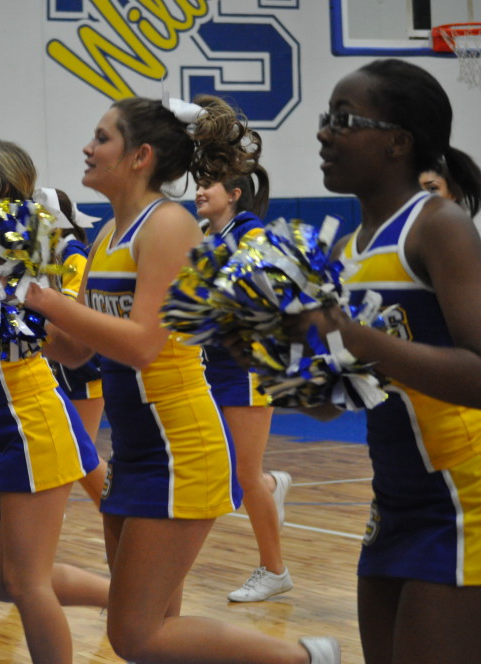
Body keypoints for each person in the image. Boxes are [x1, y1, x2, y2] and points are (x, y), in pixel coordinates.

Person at [24, 97, 339, 663]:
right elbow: (74, 352)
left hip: (179, 447)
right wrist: (5, 311)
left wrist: (42, 298)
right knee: (154, 630)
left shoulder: (168, 225)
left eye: (101, 138)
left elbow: (145, 343)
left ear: (140, 156)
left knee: (135, 634)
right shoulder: (104, 236)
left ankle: (307, 659)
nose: (86, 148)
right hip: (138, 448)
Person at [290, 59, 481, 663]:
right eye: (324, 119)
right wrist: (271, 346)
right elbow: (331, 403)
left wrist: (354, 335)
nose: (324, 133)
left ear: (398, 142)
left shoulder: (439, 226)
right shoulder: (345, 249)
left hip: (469, 501)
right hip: (395, 505)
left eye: (343, 119)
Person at [0, 139, 111, 664]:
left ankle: (134, 599)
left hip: (30, 423)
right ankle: (124, 598)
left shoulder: (20, 257)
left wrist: (26, 304)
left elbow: (75, 350)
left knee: (27, 583)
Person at [194, 163, 293, 602]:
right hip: (214, 365)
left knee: (242, 475)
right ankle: (273, 487)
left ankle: (275, 571)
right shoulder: (208, 235)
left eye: (206, 184)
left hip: (246, 365)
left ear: (234, 193)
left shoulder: (251, 234)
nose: (198, 191)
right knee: (227, 469)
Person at [38, 186, 109, 508]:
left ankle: (116, 508)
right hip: (64, 371)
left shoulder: (73, 255)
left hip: (86, 371)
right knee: (74, 453)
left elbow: (72, 311)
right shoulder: (51, 256)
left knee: (81, 454)